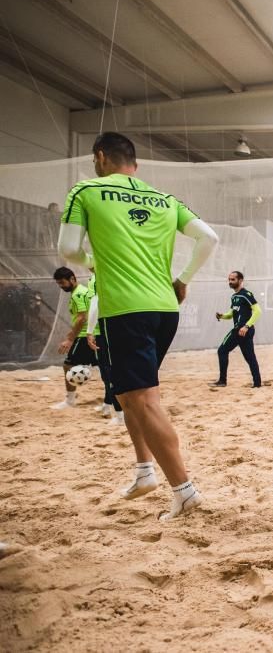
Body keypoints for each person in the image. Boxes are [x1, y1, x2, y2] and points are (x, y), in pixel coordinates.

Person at [58, 131, 219, 520]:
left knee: (144, 400)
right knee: (130, 395)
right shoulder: (165, 199)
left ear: (100, 157)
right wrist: (182, 279)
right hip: (164, 309)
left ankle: (185, 491)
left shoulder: (86, 191)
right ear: (136, 166)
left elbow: (67, 250)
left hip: (124, 310)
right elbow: (209, 238)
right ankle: (145, 471)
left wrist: (92, 262)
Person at [50, 267, 99, 410]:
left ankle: (70, 401)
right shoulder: (83, 291)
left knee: (68, 365)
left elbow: (82, 318)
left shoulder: (78, 294)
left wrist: (70, 338)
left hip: (85, 336)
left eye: (62, 283)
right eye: (58, 283)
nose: (61, 286)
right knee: (104, 368)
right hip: (93, 334)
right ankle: (111, 401)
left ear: (72, 279)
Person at [83, 276, 124, 424]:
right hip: (118, 328)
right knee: (110, 372)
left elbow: (95, 304)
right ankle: (107, 405)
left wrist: (90, 331)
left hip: (105, 331)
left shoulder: (97, 278)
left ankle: (120, 416)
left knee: (109, 373)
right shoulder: (113, 273)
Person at [213, 271, 262, 388]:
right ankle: (257, 383)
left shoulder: (246, 294)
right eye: (229, 279)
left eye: (233, 279)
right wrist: (222, 316)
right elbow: (231, 314)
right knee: (250, 357)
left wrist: (246, 326)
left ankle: (222, 381)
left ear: (240, 280)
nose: (230, 282)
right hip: (242, 331)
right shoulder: (234, 297)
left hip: (242, 329)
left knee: (222, 351)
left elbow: (258, 311)